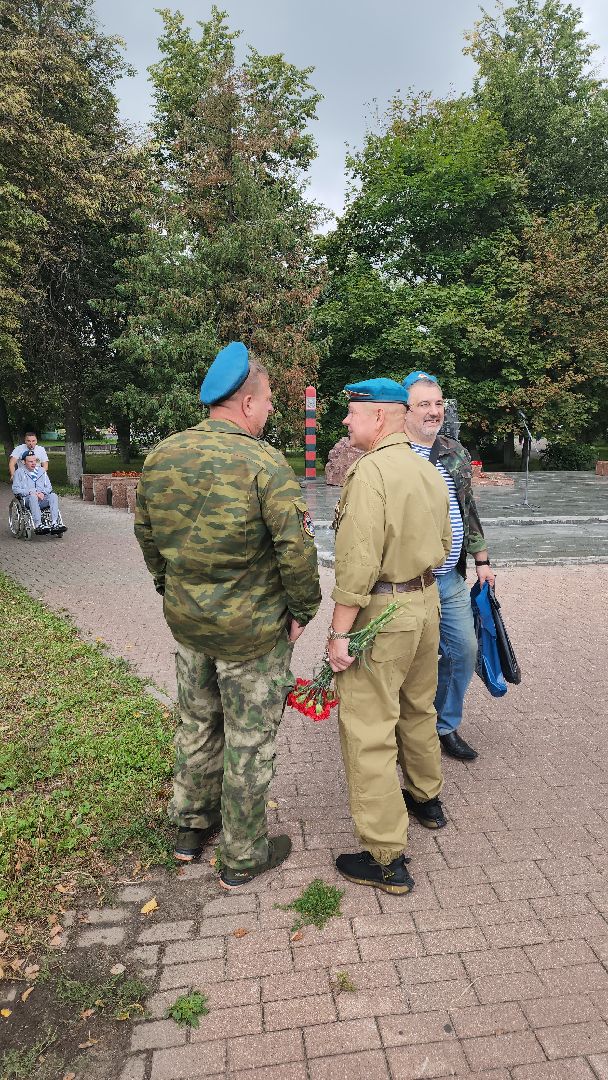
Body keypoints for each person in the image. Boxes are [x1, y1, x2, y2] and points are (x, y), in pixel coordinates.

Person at [134, 342, 321, 890]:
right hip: (252, 634)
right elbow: (296, 549)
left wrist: (171, 589)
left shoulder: (162, 456)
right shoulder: (264, 463)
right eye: (268, 400)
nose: (271, 410)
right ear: (246, 402)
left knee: (197, 723)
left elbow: (147, 536)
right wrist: (303, 609)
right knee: (249, 739)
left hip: (190, 625)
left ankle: (191, 829)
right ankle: (242, 855)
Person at [327, 378, 452, 895]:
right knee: (418, 707)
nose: (345, 421)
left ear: (378, 417)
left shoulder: (370, 472)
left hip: (383, 611)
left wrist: (338, 634)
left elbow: (357, 566)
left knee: (369, 727)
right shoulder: (427, 469)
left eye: (352, 413)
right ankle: (426, 799)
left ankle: (384, 857)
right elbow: (445, 542)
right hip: (426, 603)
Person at [402, 371, 495, 762]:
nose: (433, 411)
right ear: (405, 409)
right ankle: (405, 730)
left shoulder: (454, 451)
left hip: (450, 577)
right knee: (407, 660)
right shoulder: (392, 454)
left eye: (438, 403)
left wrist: (482, 560)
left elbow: (468, 509)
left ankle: (444, 725)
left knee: (463, 651)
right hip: (406, 583)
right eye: (424, 404)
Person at [11, 449, 65, 533]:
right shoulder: (19, 472)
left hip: (42, 498)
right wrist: (30, 492)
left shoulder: (42, 471)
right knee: (33, 497)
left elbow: (49, 487)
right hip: (28, 499)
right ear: (24, 462)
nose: (33, 463)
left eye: (35, 461)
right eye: (30, 461)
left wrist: (43, 493)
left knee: (53, 496)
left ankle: (54, 523)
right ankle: (38, 525)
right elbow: (15, 489)